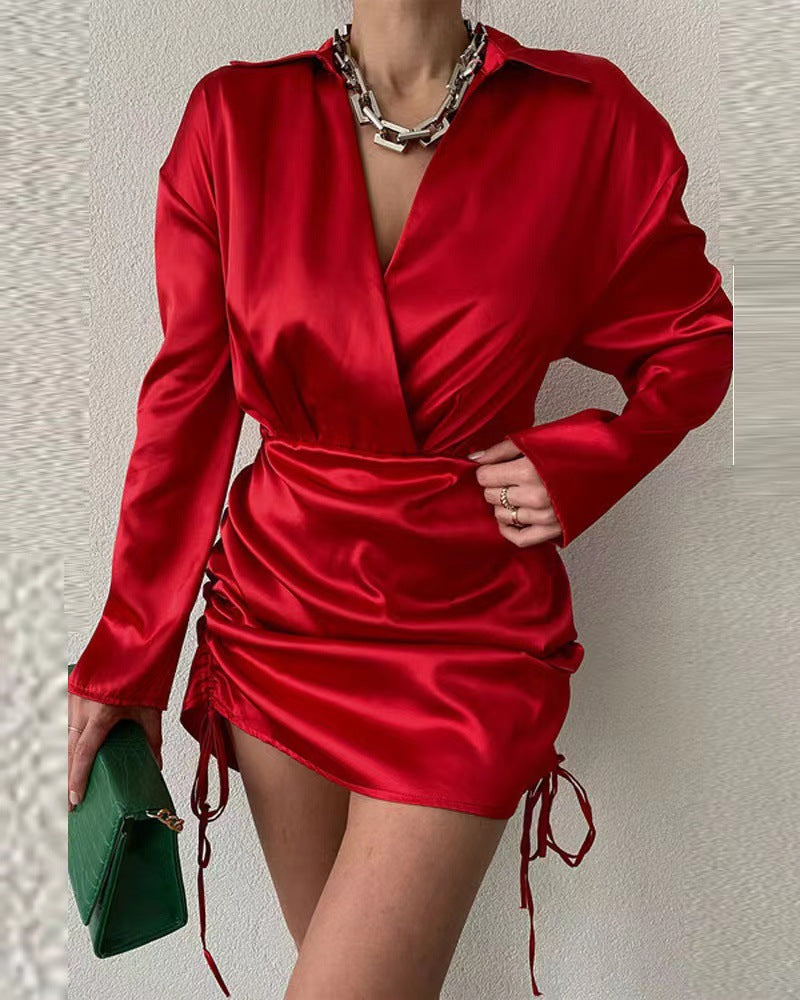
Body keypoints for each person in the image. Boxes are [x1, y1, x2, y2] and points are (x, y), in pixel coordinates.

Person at [67, 3, 733, 997]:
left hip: (464, 637)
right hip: (281, 617)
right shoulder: (233, 120)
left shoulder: (587, 121)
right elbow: (185, 408)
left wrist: (587, 462)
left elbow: (693, 337)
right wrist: (129, 657)